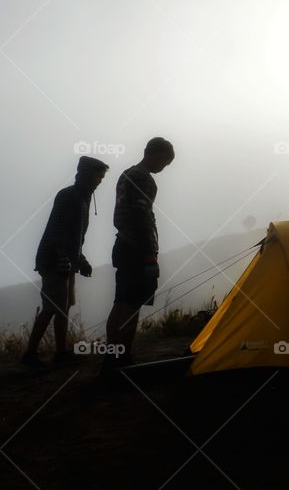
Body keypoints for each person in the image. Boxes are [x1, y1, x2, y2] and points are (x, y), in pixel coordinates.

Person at [21, 155, 109, 368]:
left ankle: (61, 352)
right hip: (54, 260)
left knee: (63, 306)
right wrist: (66, 260)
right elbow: (58, 232)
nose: (100, 181)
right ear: (88, 175)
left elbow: (74, 236)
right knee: (52, 306)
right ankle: (29, 355)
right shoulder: (68, 196)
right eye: (99, 176)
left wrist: (80, 260)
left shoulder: (83, 198)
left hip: (66, 260)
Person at [103, 137, 174, 371]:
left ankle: (112, 355)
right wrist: (149, 255)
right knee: (132, 304)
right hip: (137, 248)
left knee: (120, 301)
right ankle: (123, 359)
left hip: (122, 244)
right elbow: (141, 216)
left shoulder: (126, 175)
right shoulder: (144, 179)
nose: (163, 168)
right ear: (154, 154)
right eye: (164, 162)